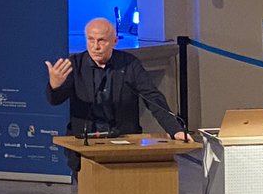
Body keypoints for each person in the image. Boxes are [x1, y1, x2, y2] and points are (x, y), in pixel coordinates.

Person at [44, 17, 190, 174]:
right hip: (84, 146)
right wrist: (55, 86)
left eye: (102, 41)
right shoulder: (75, 64)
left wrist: (175, 130)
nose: (95, 47)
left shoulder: (129, 64)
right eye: (90, 40)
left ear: (114, 41)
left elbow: (153, 98)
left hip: (124, 143)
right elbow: (55, 100)